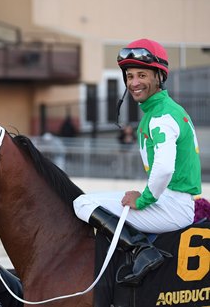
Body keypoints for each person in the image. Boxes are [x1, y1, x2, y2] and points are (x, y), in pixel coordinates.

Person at [73, 38, 201, 286]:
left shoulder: (161, 116)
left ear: (159, 77)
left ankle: (142, 251)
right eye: (130, 76)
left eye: (142, 75)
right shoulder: (163, 110)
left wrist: (143, 199)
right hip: (173, 202)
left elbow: (164, 169)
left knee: (83, 203)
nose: (134, 83)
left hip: (172, 207)